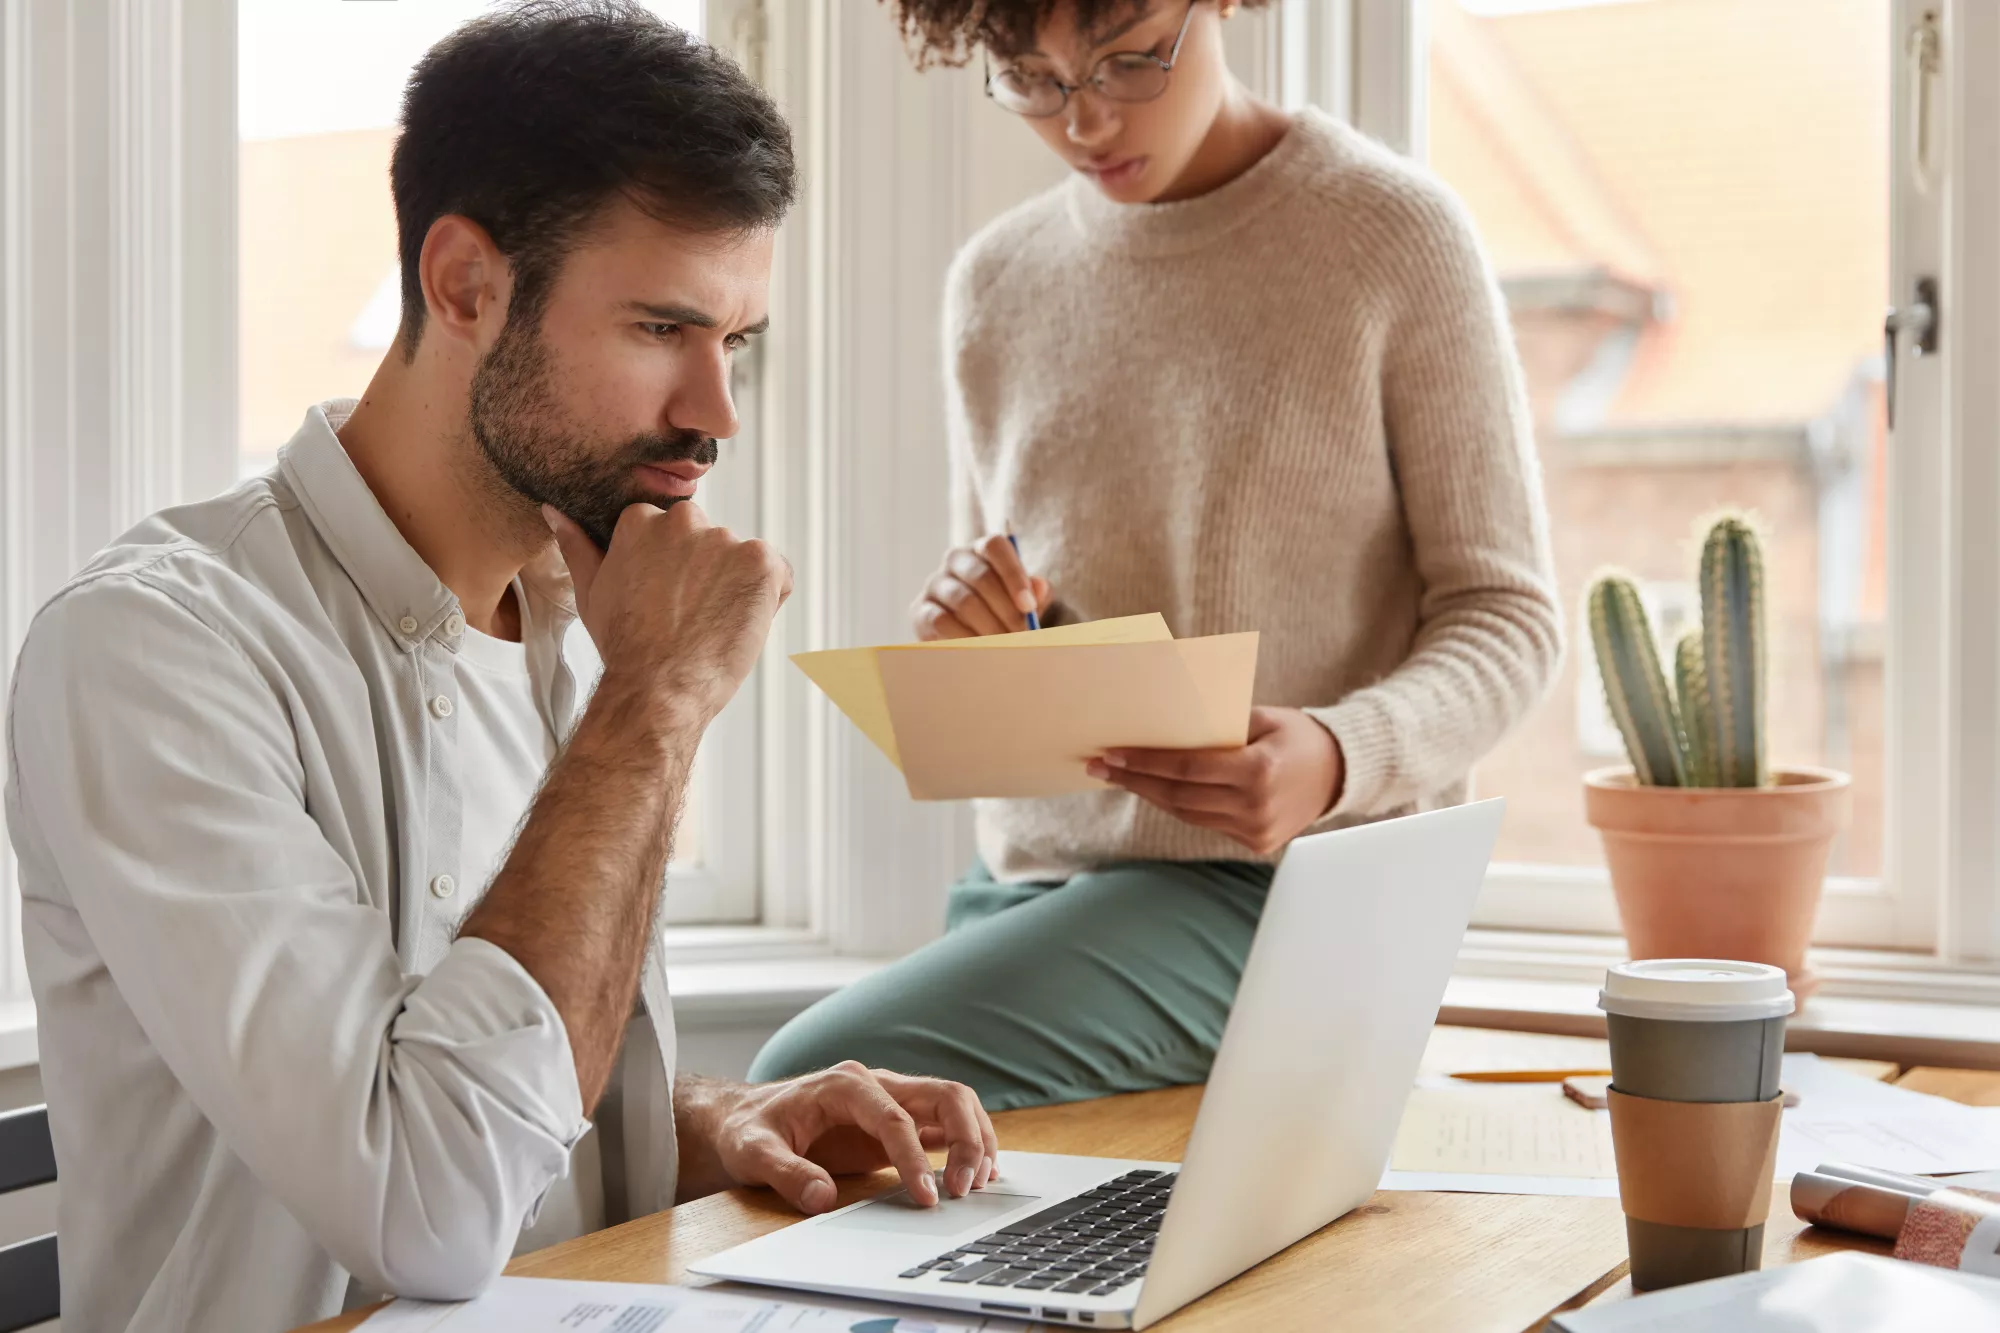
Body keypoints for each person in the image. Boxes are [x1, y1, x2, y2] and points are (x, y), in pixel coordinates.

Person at [3, 6, 998, 1330]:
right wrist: (653, 701)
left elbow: (487, 1092)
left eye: (733, 342)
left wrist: (712, 1123)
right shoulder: (157, 651)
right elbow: (429, 1204)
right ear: (466, 284)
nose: (715, 415)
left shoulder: (569, 618)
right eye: (661, 330)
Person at [751, 0, 1563, 1109]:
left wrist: (1336, 754)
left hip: (1291, 897)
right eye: (1031, 81)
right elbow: (1030, 606)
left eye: (1128, 61)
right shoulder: (995, 284)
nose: (1083, 122)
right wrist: (985, 626)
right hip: (1030, 892)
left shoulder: (1388, 236)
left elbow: (1506, 615)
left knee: (798, 1085)